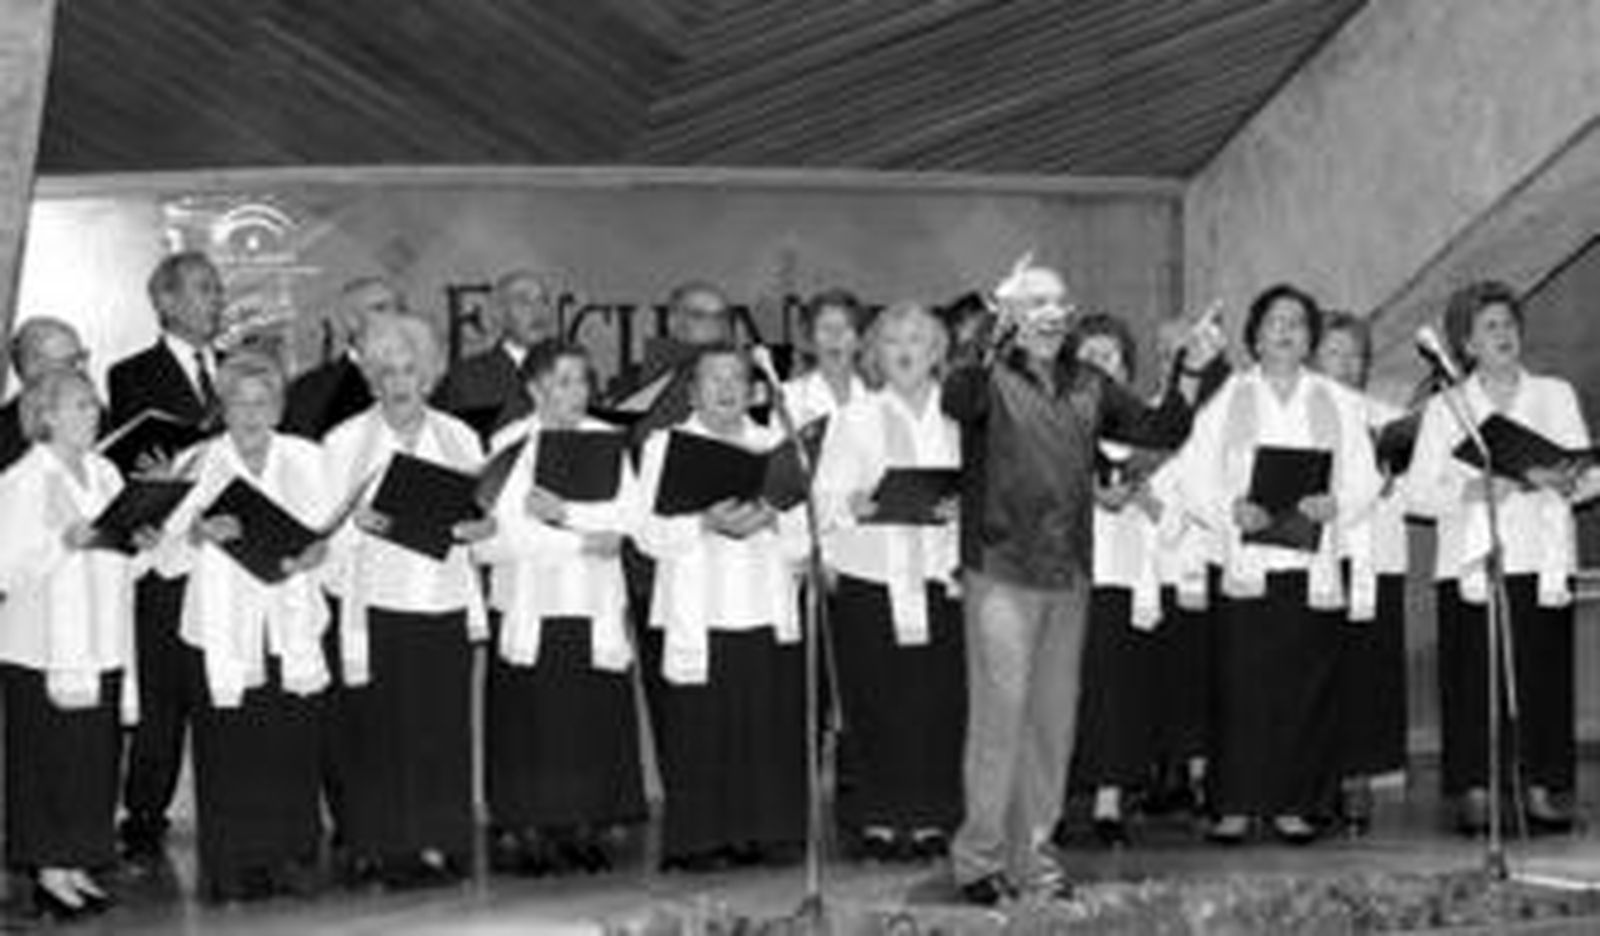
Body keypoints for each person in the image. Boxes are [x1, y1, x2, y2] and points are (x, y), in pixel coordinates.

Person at [942, 260, 1221, 905]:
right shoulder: (986, 378)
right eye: (1032, 302)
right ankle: (978, 860)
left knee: (1051, 726)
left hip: (1068, 575)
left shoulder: (1091, 383)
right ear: (1012, 314)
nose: (1049, 313)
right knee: (999, 722)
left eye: (1056, 302)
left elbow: (1162, 430)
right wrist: (992, 327)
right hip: (1001, 572)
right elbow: (957, 398)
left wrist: (1188, 369)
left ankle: (1034, 862)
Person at [1167, 284, 1382, 846]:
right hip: (1246, 563)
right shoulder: (1228, 397)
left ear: (1310, 338)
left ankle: (1294, 804)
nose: (1285, 331)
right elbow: (1191, 477)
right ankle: (1235, 805)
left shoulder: (1338, 400)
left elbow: (1366, 477)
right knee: (1240, 691)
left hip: (1311, 566)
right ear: (1255, 336)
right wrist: (1229, 508)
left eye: (1297, 324)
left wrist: (1335, 503)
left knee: (1305, 690)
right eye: (1273, 322)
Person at [322, 315, 495, 888]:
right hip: (377, 605)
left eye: (409, 371)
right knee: (376, 732)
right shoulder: (345, 441)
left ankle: (439, 842)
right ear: (370, 380)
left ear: (429, 377)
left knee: (440, 730)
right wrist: (358, 526)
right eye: (385, 372)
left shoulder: (460, 438)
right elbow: (322, 535)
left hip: (441, 602)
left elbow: (477, 516)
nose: (399, 383)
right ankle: (377, 846)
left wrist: (480, 530)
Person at [1407, 281, 1585, 835]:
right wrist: (1469, 491)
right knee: (1471, 680)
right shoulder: (1447, 407)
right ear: (1465, 344)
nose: (1504, 335)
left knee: (1542, 675)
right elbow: (1416, 494)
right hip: (1471, 562)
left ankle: (1540, 787)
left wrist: (1563, 479)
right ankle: (1477, 790)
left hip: (1540, 555)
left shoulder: (1555, 395)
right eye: (1490, 327)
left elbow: (1589, 471)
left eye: (1509, 324)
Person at [153, 353, 332, 902]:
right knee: (227, 750)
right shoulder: (195, 462)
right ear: (221, 408)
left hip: (289, 623)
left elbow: (331, 535)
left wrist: (317, 552)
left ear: (279, 407)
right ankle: (231, 867)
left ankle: (293, 859)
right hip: (219, 634)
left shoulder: (308, 457)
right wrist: (199, 534)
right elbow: (161, 560)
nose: (251, 413)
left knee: (291, 746)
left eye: (263, 401)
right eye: (239, 402)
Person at [476, 340, 647, 876]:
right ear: (535, 389)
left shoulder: (606, 441)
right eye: (563, 381)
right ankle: (532, 830)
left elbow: (629, 518)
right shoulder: (510, 444)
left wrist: (568, 515)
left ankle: (587, 825)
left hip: (592, 604)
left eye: (582, 380)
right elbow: (504, 534)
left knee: (590, 719)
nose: (576, 393)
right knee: (533, 721)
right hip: (532, 604)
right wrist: (579, 539)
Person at [635, 345, 808, 870]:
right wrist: (705, 522)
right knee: (700, 728)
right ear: (692, 391)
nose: (726, 388)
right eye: (713, 379)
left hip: (762, 603)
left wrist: (775, 519)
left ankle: (769, 832)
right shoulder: (667, 446)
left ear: (754, 390)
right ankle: (700, 840)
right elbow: (645, 532)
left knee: (765, 724)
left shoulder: (776, 445)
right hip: (700, 610)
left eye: (736, 378)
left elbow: (806, 534)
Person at [814, 302, 964, 861]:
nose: (904, 351)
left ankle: (931, 816)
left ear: (936, 353)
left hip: (938, 575)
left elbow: (985, 490)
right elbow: (822, 495)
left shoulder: (957, 420)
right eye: (893, 341)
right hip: (870, 576)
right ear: (875, 354)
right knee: (874, 699)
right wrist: (850, 500)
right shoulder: (855, 417)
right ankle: (877, 816)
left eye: (917, 340)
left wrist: (961, 506)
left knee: (936, 700)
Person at [0, 369, 151, 919]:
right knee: (47, 761)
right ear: (46, 415)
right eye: (82, 405)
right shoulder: (21, 481)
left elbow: (123, 561)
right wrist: (61, 543)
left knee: (92, 759)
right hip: (41, 651)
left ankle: (78, 860)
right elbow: (6, 568)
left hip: (102, 641)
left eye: (94, 404)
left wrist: (143, 543)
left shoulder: (106, 472)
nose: (95, 414)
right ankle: (48, 870)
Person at [108, 250, 226, 858]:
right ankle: (145, 815)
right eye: (203, 289)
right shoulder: (132, 375)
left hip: (226, 554)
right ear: (166, 301)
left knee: (225, 682)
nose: (216, 299)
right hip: (166, 547)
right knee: (162, 692)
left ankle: (231, 806)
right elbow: (122, 459)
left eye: (217, 289)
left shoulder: (238, 370)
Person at [1062, 313, 1167, 847]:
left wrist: (1151, 501)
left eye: (1111, 357)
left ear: (1126, 366)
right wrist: (1086, 494)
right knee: (1062, 688)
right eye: (1089, 357)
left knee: (1117, 690)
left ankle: (1109, 798)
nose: (1101, 366)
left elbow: (1186, 504)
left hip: (1127, 573)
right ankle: (1054, 798)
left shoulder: (1148, 424)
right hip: (1065, 573)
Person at [1315, 312, 1410, 833]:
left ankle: (1356, 784)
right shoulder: (1299, 414)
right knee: (1320, 674)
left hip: (1378, 557)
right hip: (1322, 559)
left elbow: (1424, 492)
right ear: (1314, 358)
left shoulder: (1389, 419)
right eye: (1334, 353)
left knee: (1369, 676)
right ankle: (1316, 780)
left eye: (1355, 354)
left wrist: (1396, 485)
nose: (1347, 364)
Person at [431, 269, 557, 436]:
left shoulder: (573, 370)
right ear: (499, 314)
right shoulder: (466, 377)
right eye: (523, 301)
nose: (537, 311)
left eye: (544, 301)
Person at [281, 276, 407, 441]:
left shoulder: (432, 379)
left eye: (401, 308)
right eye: (380, 308)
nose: (395, 316)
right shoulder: (308, 392)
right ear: (351, 321)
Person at [607, 281, 735, 442]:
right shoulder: (637, 381)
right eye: (699, 315)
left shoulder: (749, 374)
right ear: (673, 321)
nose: (713, 324)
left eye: (720, 316)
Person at [1, 317, 91, 473]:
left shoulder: (94, 412)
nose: (82, 370)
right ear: (34, 369)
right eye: (71, 362)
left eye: (83, 358)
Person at [784, 288, 870, 425]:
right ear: (812, 338)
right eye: (826, 328)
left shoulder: (877, 398)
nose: (835, 336)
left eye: (845, 327)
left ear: (858, 341)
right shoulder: (790, 396)